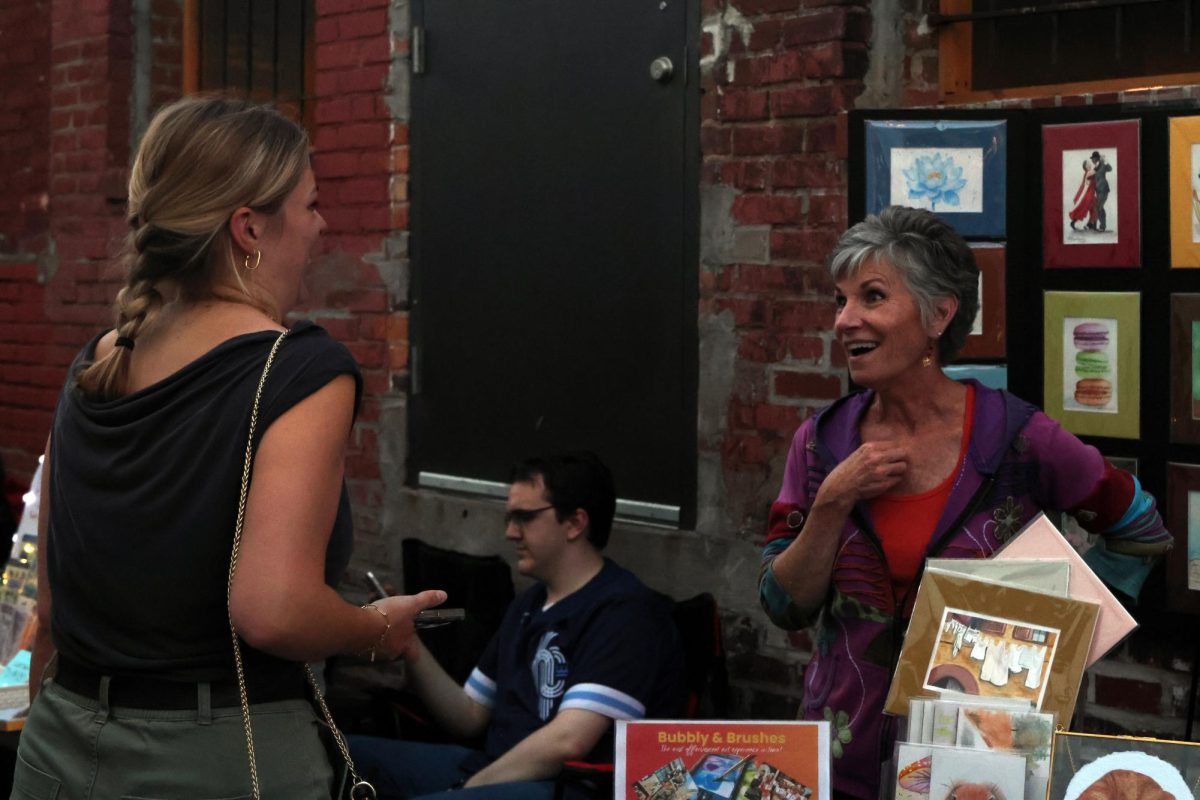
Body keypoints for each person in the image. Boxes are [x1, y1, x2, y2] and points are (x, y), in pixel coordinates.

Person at [13, 95, 446, 799]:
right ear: (248, 227)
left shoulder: (96, 363)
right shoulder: (300, 370)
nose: (321, 224)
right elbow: (273, 608)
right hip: (214, 758)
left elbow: (54, 606)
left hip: (58, 748)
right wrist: (372, 630)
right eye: (310, 205)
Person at [757, 206, 1171, 800]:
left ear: (939, 313)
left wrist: (1059, 636)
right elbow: (784, 606)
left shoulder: (1017, 439)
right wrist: (832, 502)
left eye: (871, 297)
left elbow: (1140, 529)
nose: (845, 320)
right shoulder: (821, 444)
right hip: (838, 758)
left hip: (977, 768)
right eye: (840, 300)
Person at [348, 452, 685, 800]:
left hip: (564, 788)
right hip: (491, 767)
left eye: (524, 518)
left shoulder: (625, 612)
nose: (510, 532)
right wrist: (410, 645)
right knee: (335, 751)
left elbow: (570, 741)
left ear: (575, 523)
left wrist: (471, 788)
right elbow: (469, 716)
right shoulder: (529, 603)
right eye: (509, 518)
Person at [1068, 158, 1097, 231]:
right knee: (1084, 209)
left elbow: (1082, 185)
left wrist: (1076, 197)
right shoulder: (1089, 172)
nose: (1090, 164)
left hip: (1090, 194)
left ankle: (1091, 224)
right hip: (1089, 194)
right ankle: (1090, 224)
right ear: (1086, 167)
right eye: (1088, 164)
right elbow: (1096, 170)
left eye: (1089, 163)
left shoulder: (1086, 173)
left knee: (1093, 209)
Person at [1091, 151, 1112, 232]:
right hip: (1098, 191)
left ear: (1096, 158)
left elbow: (1110, 169)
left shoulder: (1103, 164)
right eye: (1092, 159)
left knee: (1099, 207)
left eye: (1093, 158)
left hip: (1103, 189)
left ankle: (1101, 226)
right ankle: (1101, 226)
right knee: (1099, 207)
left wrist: (1105, 160)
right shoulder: (1095, 168)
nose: (1092, 160)